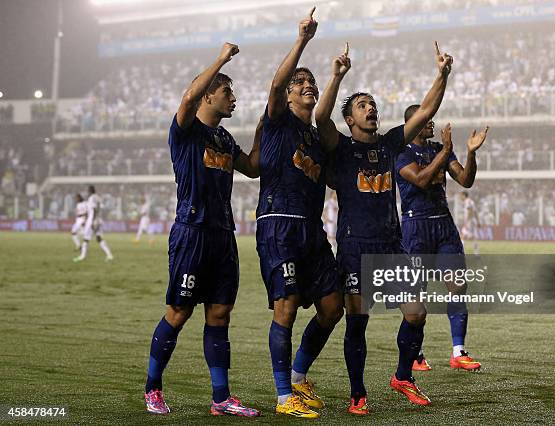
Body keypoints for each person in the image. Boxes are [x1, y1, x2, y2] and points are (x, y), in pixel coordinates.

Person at [316, 41, 452, 413]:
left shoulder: (391, 143)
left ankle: (402, 376)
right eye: (362, 105)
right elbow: (320, 119)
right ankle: (357, 394)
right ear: (350, 119)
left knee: (417, 313)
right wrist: (337, 76)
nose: (371, 108)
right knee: (357, 323)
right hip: (355, 247)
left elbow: (426, 111)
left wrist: (442, 75)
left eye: (372, 104)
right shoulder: (341, 148)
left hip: (391, 245)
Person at [143, 42, 261, 417]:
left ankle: (221, 398)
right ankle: (153, 388)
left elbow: (254, 167)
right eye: (228, 92)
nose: (234, 99)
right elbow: (188, 95)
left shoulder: (225, 140)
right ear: (209, 94)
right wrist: (222, 58)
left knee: (220, 314)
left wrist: (267, 126)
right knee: (179, 311)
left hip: (222, 236)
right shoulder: (186, 130)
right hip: (192, 232)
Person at [256, 7, 343, 419]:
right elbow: (275, 83)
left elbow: (326, 121)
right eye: (300, 83)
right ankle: (281, 395)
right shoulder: (277, 121)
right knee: (286, 308)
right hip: (278, 224)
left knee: (332, 307)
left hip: (311, 229)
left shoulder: (316, 136)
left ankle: (298, 376)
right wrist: (303, 40)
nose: (306, 85)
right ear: (289, 95)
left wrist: (335, 78)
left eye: (310, 81)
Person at [396, 106, 489, 374]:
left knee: (458, 285)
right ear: (412, 123)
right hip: (416, 226)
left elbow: (465, 179)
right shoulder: (400, 152)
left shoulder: (439, 148)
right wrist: (446, 152)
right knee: (418, 295)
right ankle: (416, 352)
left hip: (443, 224)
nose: (431, 125)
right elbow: (421, 180)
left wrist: (471, 153)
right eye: (426, 121)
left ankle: (458, 351)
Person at [73, 185, 113, 262]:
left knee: (86, 239)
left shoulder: (91, 198)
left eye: (88, 190)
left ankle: (82, 256)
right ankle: (109, 255)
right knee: (99, 238)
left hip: (92, 221)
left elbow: (93, 209)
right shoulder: (98, 197)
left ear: (90, 191)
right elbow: (101, 208)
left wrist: (93, 220)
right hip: (99, 220)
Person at [460, 191, 480, 256]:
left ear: (464, 195)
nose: (460, 197)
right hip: (472, 221)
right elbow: (475, 212)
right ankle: (477, 253)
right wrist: (478, 221)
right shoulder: (471, 201)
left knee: (463, 235)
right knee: (474, 237)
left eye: (461, 195)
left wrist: (467, 222)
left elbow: (470, 211)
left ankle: (461, 252)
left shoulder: (467, 202)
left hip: (470, 221)